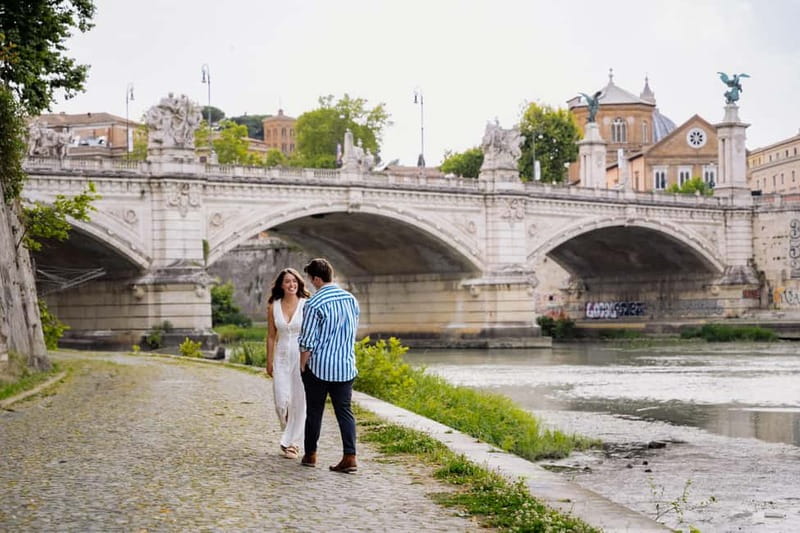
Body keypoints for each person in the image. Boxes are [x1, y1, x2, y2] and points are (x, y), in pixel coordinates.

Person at [297, 258, 360, 473]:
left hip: (319, 367)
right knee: (345, 411)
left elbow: (307, 341)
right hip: (345, 366)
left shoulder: (314, 303)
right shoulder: (351, 299)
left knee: (314, 411)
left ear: (316, 279)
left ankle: (310, 455)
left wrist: (303, 365)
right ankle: (350, 457)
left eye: (310, 278)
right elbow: (351, 332)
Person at [265, 268, 310, 459]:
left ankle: (293, 443)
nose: (292, 285)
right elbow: (271, 336)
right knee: (281, 402)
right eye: (287, 282)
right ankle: (288, 434)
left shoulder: (306, 305)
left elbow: (312, 334)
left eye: (294, 281)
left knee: (299, 401)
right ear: (281, 285)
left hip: (302, 358)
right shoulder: (273, 306)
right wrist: (269, 361)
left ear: (299, 284)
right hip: (282, 358)